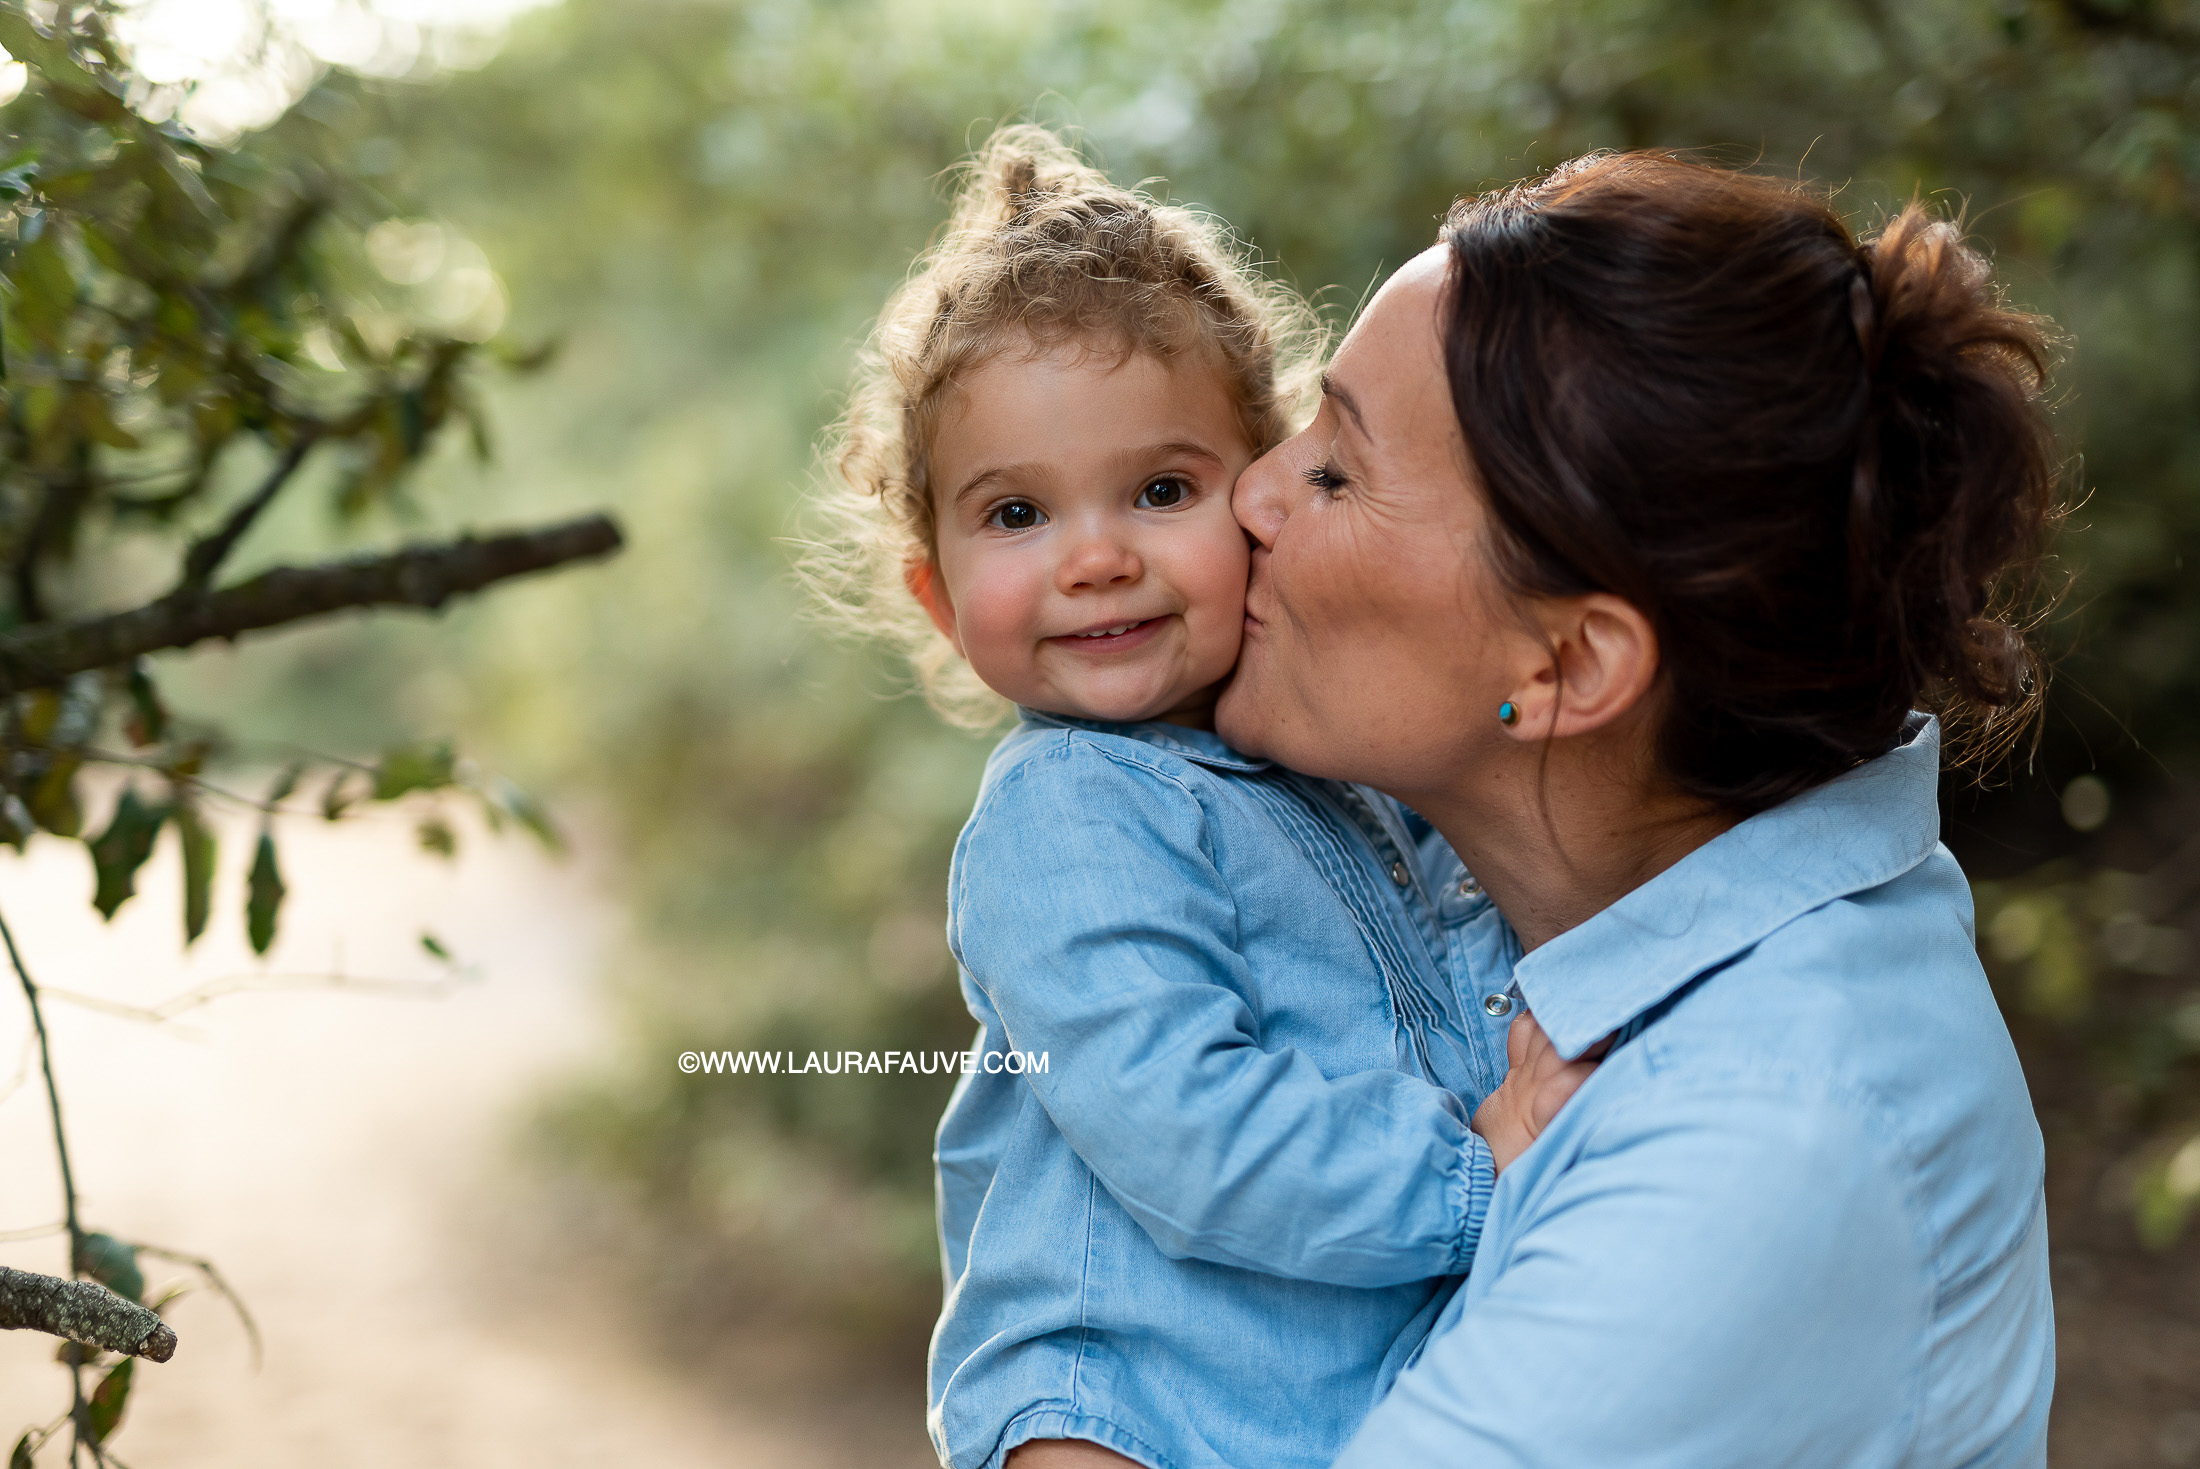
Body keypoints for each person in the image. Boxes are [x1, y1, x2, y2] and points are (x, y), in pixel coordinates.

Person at [1215, 150, 2060, 1466]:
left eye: (1337, 471)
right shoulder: (1546, 904)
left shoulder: (1762, 1136)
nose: (1251, 492)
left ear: (1567, 667)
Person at [805, 124, 1594, 1469]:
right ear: (935, 597)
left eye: (1162, 489)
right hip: (1135, 1416)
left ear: (1267, 499)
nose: (1097, 557)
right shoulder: (1070, 813)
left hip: (1329, 1403)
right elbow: (1188, 1121)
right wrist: (1481, 1170)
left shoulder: (1334, 765)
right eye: (1015, 515)